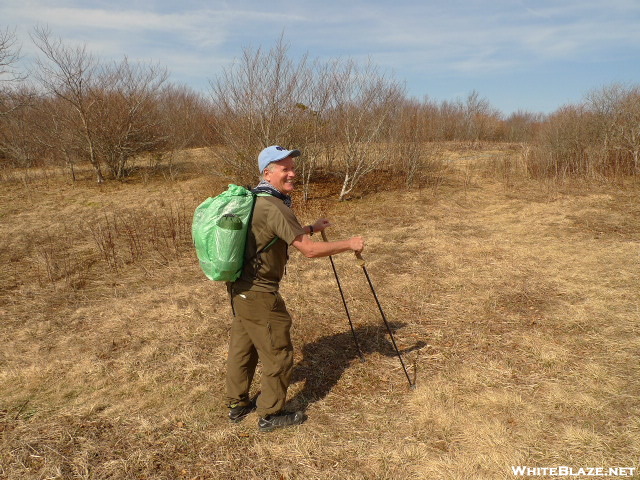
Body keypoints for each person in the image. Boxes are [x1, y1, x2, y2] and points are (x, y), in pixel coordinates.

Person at [225, 145, 365, 432]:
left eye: (292, 167)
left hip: (240, 287)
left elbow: (275, 235)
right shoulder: (273, 205)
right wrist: (349, 244)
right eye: (284, 168)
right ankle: (271, 413)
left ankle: (237, 403)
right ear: (268, 172)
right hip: (260, 292)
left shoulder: (256, 199)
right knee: (277, 351)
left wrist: (310, 227)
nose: (292, 173)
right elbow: (310, 252)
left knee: (244, 346)